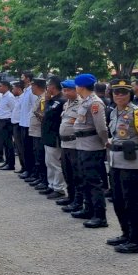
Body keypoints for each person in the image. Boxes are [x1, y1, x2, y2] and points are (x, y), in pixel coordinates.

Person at [106, 79, 138, 253]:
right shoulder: (113, 112)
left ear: (130, 95)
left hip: (133, 164)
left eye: (123, 92)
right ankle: (126, 234)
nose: (119, 95)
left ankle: (135, 240)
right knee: (118, 200)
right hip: (116, 161)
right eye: (116, 92)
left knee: (132, 202)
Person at [72, 73, 110, 228]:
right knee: (85, 179)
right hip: (82, 145)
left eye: (76, 85)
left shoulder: (95, 103)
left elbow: (101, 128)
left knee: (94, 181)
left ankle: (100, 216)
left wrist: (104, 143)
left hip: (92, 146)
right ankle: (88, 209)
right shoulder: (85, 101)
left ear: (81, 86)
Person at [58, 79, 83, 212]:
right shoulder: (67, 104)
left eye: (68, 90)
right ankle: (71, 196)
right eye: (64, 90)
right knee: (67, 172)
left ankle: (78, 201)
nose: (65, 92)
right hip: (65, 143)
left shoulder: (80, 104)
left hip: (74, 144)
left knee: (76, 174)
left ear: (75, 90)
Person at [41, 76, 67, 199]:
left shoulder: (61, 100)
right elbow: (45, 114)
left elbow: (54, 116)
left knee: (56, 163)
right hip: (48, 135)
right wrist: (47, 100)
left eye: (48, 86)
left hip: (55, 135)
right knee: (49, 162)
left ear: (52, 86)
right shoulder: (51, 100)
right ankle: (51, 185)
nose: (47, 88)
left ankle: (59, 188)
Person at [0, 81, 16, 170]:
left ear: (6, 87)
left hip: (7, 122)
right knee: (5, 143)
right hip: (2, 121)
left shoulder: (10, 97)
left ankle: (11, 164)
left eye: (0, 86)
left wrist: (9, 121)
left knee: (8, 144)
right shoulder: (3, 96)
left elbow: (13, 110)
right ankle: (7, 161)